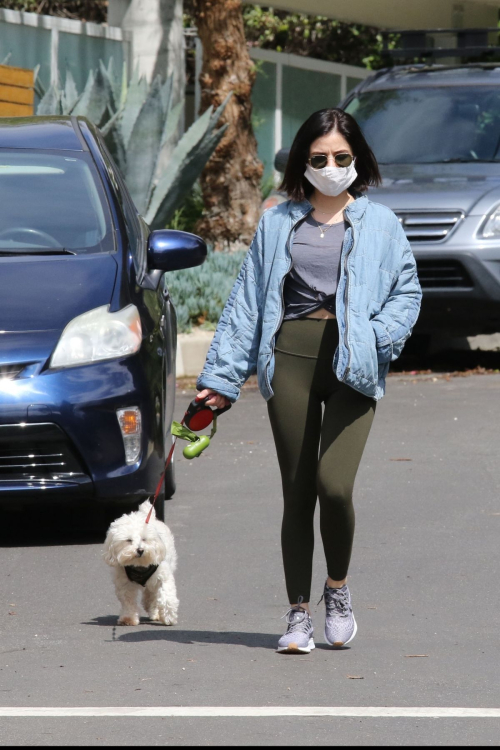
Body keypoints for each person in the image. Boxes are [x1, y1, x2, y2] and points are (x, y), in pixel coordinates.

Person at [197, 108, 422, 654]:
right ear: (303, 162)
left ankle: (337, 591)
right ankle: (298, 614)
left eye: (341, 158)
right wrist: (220, 381)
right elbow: (247, 304)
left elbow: (408, 293)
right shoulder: (278, 222)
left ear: (358, 160)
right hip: (290, 357)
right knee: (297, 492)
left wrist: (375, 338)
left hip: (354, 365)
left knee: (334, 485)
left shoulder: (382, 224)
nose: (330, 167)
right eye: (319, 158)